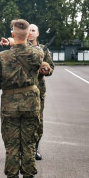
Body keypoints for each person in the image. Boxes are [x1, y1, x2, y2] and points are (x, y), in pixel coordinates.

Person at [0, 19, 44, 178]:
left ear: (12, 35)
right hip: (31, 105)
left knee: (12, 147)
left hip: (9, 106)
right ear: (29, 35)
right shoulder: (37, 54)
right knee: (29, 146)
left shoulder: (1, 57)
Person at [28, 24, 54, 160]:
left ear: (37, 33)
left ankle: (35, 148)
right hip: (24, 91)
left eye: (33, 30)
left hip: (39, 91)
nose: (31, 33)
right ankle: (24, 149)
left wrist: (46, 70)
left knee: (38, 121)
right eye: (29, 30)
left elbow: (51, 68)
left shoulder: (44, 49)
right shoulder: (22, 49)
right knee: (25, 121)